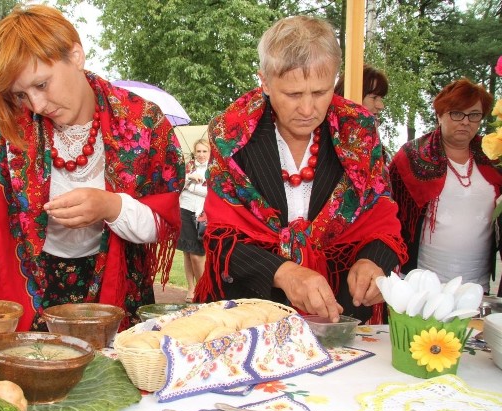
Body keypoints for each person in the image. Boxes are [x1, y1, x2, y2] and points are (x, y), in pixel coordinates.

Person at [0, 4, 185, 331]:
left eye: (42, 84)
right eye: (20, 94)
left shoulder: (143, 122)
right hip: (34, 295)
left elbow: (163, 222)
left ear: (75, 55)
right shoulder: (8, 133)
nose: (36, 106)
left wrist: (112, 206)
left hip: (119, 297)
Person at [194, 16, 407, 324]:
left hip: (341, 311)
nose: (308, 110)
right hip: (252, 314)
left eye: (321, 93)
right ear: (265, 81)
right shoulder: (231, 135)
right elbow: (221, 237)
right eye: (293, 94)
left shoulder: (358, 131)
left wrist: (373, 261)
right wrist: (283, 273)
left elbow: (379, 216)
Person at [389, 78, 502, 294]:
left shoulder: (494, 157)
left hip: (477, 285)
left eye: (474, 115)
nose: (465, 121)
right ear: (440, 115)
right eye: (457, 113)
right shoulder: (410, 157)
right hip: (421, 283)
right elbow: (389, 213)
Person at [176, 138, 210, 302]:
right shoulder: (188, 167)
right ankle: (191, 288)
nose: (201, 155)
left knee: (198, 255)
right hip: (184, 209)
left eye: (204, 151)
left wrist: (193, 186)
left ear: (209, 152)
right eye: (198, 151)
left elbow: (210, 193)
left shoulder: (213, 169)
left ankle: (203, 289)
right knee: (188, 253)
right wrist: (189, 178)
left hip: (202, 215)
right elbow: (177, 186)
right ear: (194, 152)